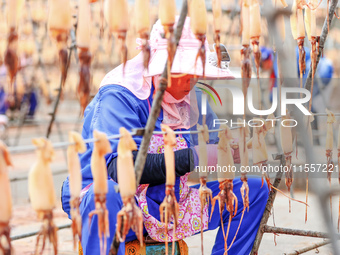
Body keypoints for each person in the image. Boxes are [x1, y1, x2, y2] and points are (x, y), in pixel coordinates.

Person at [61, 17, 269, 255]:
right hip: (118, 203)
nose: (194, 79)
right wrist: (195, 157)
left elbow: (214, 147)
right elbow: (121, 168)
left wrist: (236, 148)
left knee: (254, 189)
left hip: (168, 203)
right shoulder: (120, 95)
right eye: (188, 71)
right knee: (108, 193)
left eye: (197, 72)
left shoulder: (192, 97)